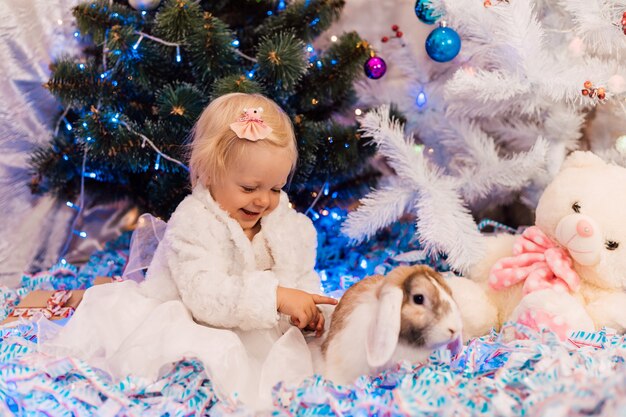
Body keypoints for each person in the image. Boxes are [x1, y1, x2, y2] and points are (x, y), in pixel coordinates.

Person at [39, 93, 337, 409]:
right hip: (194, 316)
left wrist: (308, 311)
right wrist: (275, 297)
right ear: (209, 174)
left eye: (275, 188)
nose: (263, 200)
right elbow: (204, 296)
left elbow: (300, 276)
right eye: (249, 188)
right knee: (212, 358)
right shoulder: (194, 220)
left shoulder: (287, 225)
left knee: (309, 361)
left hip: (256, 320)